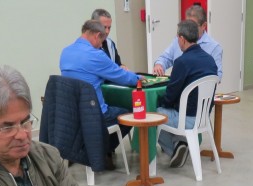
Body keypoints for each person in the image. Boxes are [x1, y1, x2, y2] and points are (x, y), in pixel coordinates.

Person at [60, 19, 143, 148]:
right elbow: (122, 76)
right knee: (131, 113)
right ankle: (103, 151)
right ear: (97, 35)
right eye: (101, 42)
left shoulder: (65, 52)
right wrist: (138, 78)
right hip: (95, 115)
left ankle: (91, 148)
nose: (101, 46)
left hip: (73, 115)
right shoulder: (96, 55)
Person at [156, 20, 218, 169]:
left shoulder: (182, 62)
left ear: (182, 38)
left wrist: (160, 102)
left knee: (153, 114)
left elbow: (170, 96)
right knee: (170, 110)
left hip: (187, 119)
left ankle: (175, 148)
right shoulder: (210, 60)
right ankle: (180, 143)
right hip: (203, 118)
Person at [153, 4, 222, 81]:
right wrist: (159, 64)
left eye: (193, 26)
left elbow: (217, 77)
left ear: (204, 26)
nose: (189, 29)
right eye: (187, 25)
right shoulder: (179, 40)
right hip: (178, 87)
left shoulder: (214, 47)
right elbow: (165, 57)